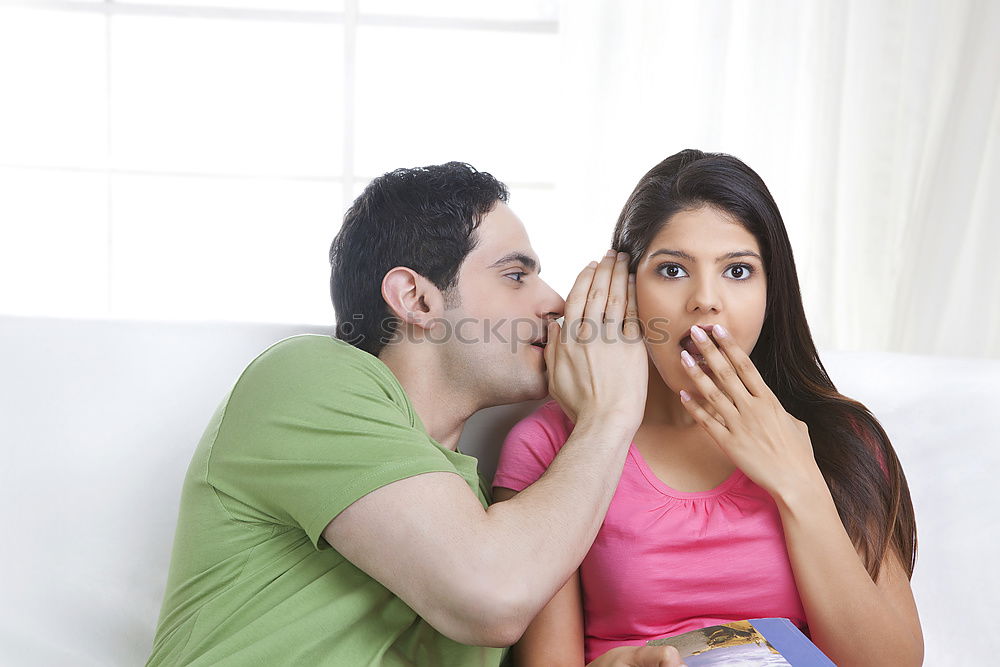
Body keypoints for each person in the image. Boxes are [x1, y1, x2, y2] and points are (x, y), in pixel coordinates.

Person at [146, 162, 684, 666]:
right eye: (516, 275)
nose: (557, 303)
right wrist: (611, 415)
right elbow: (491, 595)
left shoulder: (482, 515)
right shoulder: (307, 376)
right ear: (417, 299)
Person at [492, 149, 924, 666]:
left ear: (772, 291)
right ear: (625, 290)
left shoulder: (838, 436)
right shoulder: (553, 444)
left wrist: (797, 480)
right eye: (672, 270)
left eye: (738, 271)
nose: (705, 300)